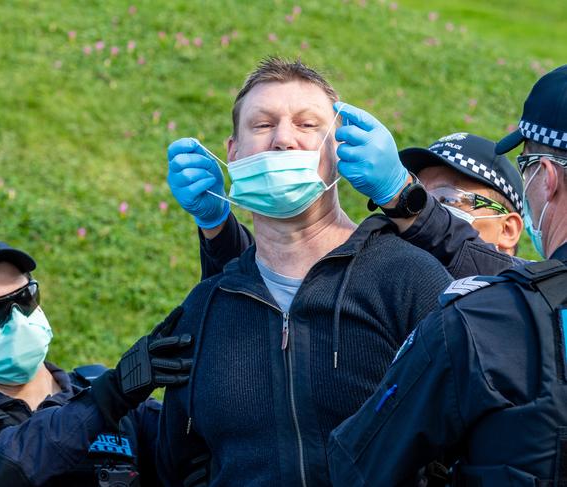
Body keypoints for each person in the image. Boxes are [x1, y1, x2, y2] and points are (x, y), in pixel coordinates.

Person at [159, 57, 452, 485]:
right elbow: (180, 462)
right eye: (262, 125)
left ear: (338, 151)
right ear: (232, 154)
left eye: (307, 125)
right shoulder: (204, 308)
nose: (283, 139)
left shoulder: (409, 280)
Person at [327, 64, 567, 486]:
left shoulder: (484, 319)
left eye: (451, 199)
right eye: (429, 192)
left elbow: (361, 465)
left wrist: (406, 198)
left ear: (546, 178)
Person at [0, 235, 193, 487]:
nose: (18, 320)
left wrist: (217, 237)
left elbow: (213, 448)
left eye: (25, 298)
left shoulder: (118, 402)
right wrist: (103, 402)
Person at [174, 128, 526, 281]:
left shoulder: (533, 302)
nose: (421, 211)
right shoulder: (387, 282)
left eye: (446, 199)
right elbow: (282, 289)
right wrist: (218, 227)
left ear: (508, 228)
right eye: (419, 192)